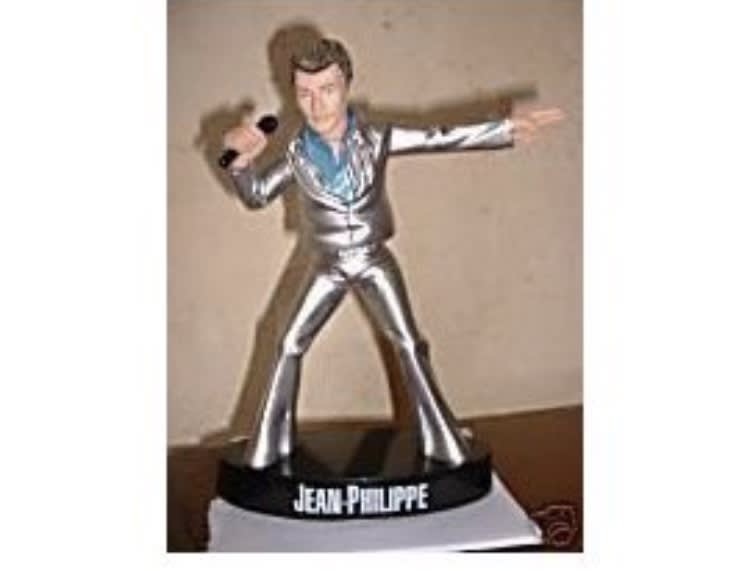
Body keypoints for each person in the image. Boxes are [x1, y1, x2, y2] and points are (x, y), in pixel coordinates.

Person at [223, 37, 563, 469]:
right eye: (305, 93)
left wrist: (503, 130)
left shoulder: (377, 137)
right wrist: (239, 163)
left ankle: (443, 441)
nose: (316, 104)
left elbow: (438, 137)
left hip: (373, 260)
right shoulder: (295, 154)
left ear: (346, 86)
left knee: (408, 343)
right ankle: (270, 447)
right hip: (327, 265)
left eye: (327, 90)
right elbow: (255, 196)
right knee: (289, 343)